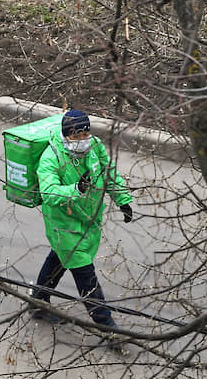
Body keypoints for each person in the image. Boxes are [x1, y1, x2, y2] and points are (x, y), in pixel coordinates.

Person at [29, 109, 134, 331]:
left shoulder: (93, 146)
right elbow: (49, 192)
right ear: (66, 135)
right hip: (64, 225)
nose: (82, 140)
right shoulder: (52, 157)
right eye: (76, 136)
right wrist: (77, 188)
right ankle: (108, 327)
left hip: (87, 219)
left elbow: (108, 171)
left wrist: (122, 198)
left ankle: (38, 301)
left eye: (85, 134)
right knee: (85, 274)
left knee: (58, 257)